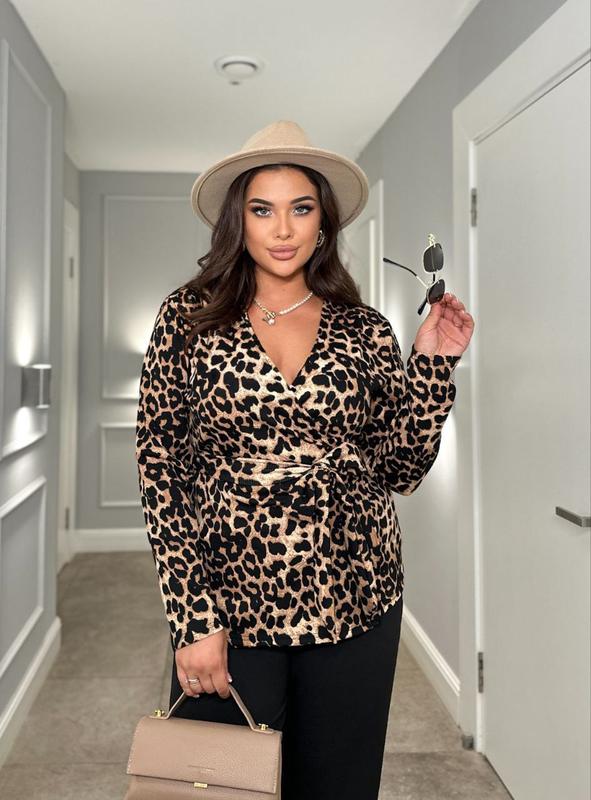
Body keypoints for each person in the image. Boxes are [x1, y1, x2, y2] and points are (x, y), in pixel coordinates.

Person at [135, 119, 474, 799]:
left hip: (359, 595)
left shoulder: (364, 328)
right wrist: (193, 617)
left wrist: (433, 367)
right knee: (219, 786)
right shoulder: (188, 317)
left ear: (323, 223)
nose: (283, 229)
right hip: (231, 601)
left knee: (339, 785)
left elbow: (399, 470)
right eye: (263, 210)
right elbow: (160, 468)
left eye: (301, 208)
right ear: (238, 221)